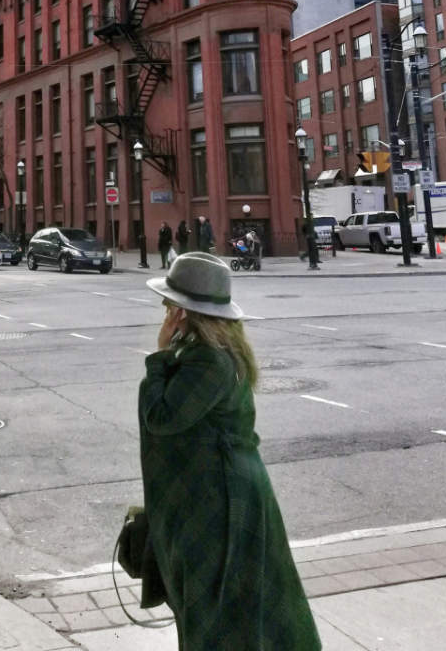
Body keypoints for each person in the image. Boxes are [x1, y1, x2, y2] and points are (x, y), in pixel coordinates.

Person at [139, 253, 321, 649]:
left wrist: (158, 356)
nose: (166, 310)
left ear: (186, 312)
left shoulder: (208, 360)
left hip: (218, 499)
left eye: (170, 304)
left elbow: (163, 416)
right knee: (239, 599)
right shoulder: (218, 352)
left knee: (213, 605)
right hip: (230, 489)